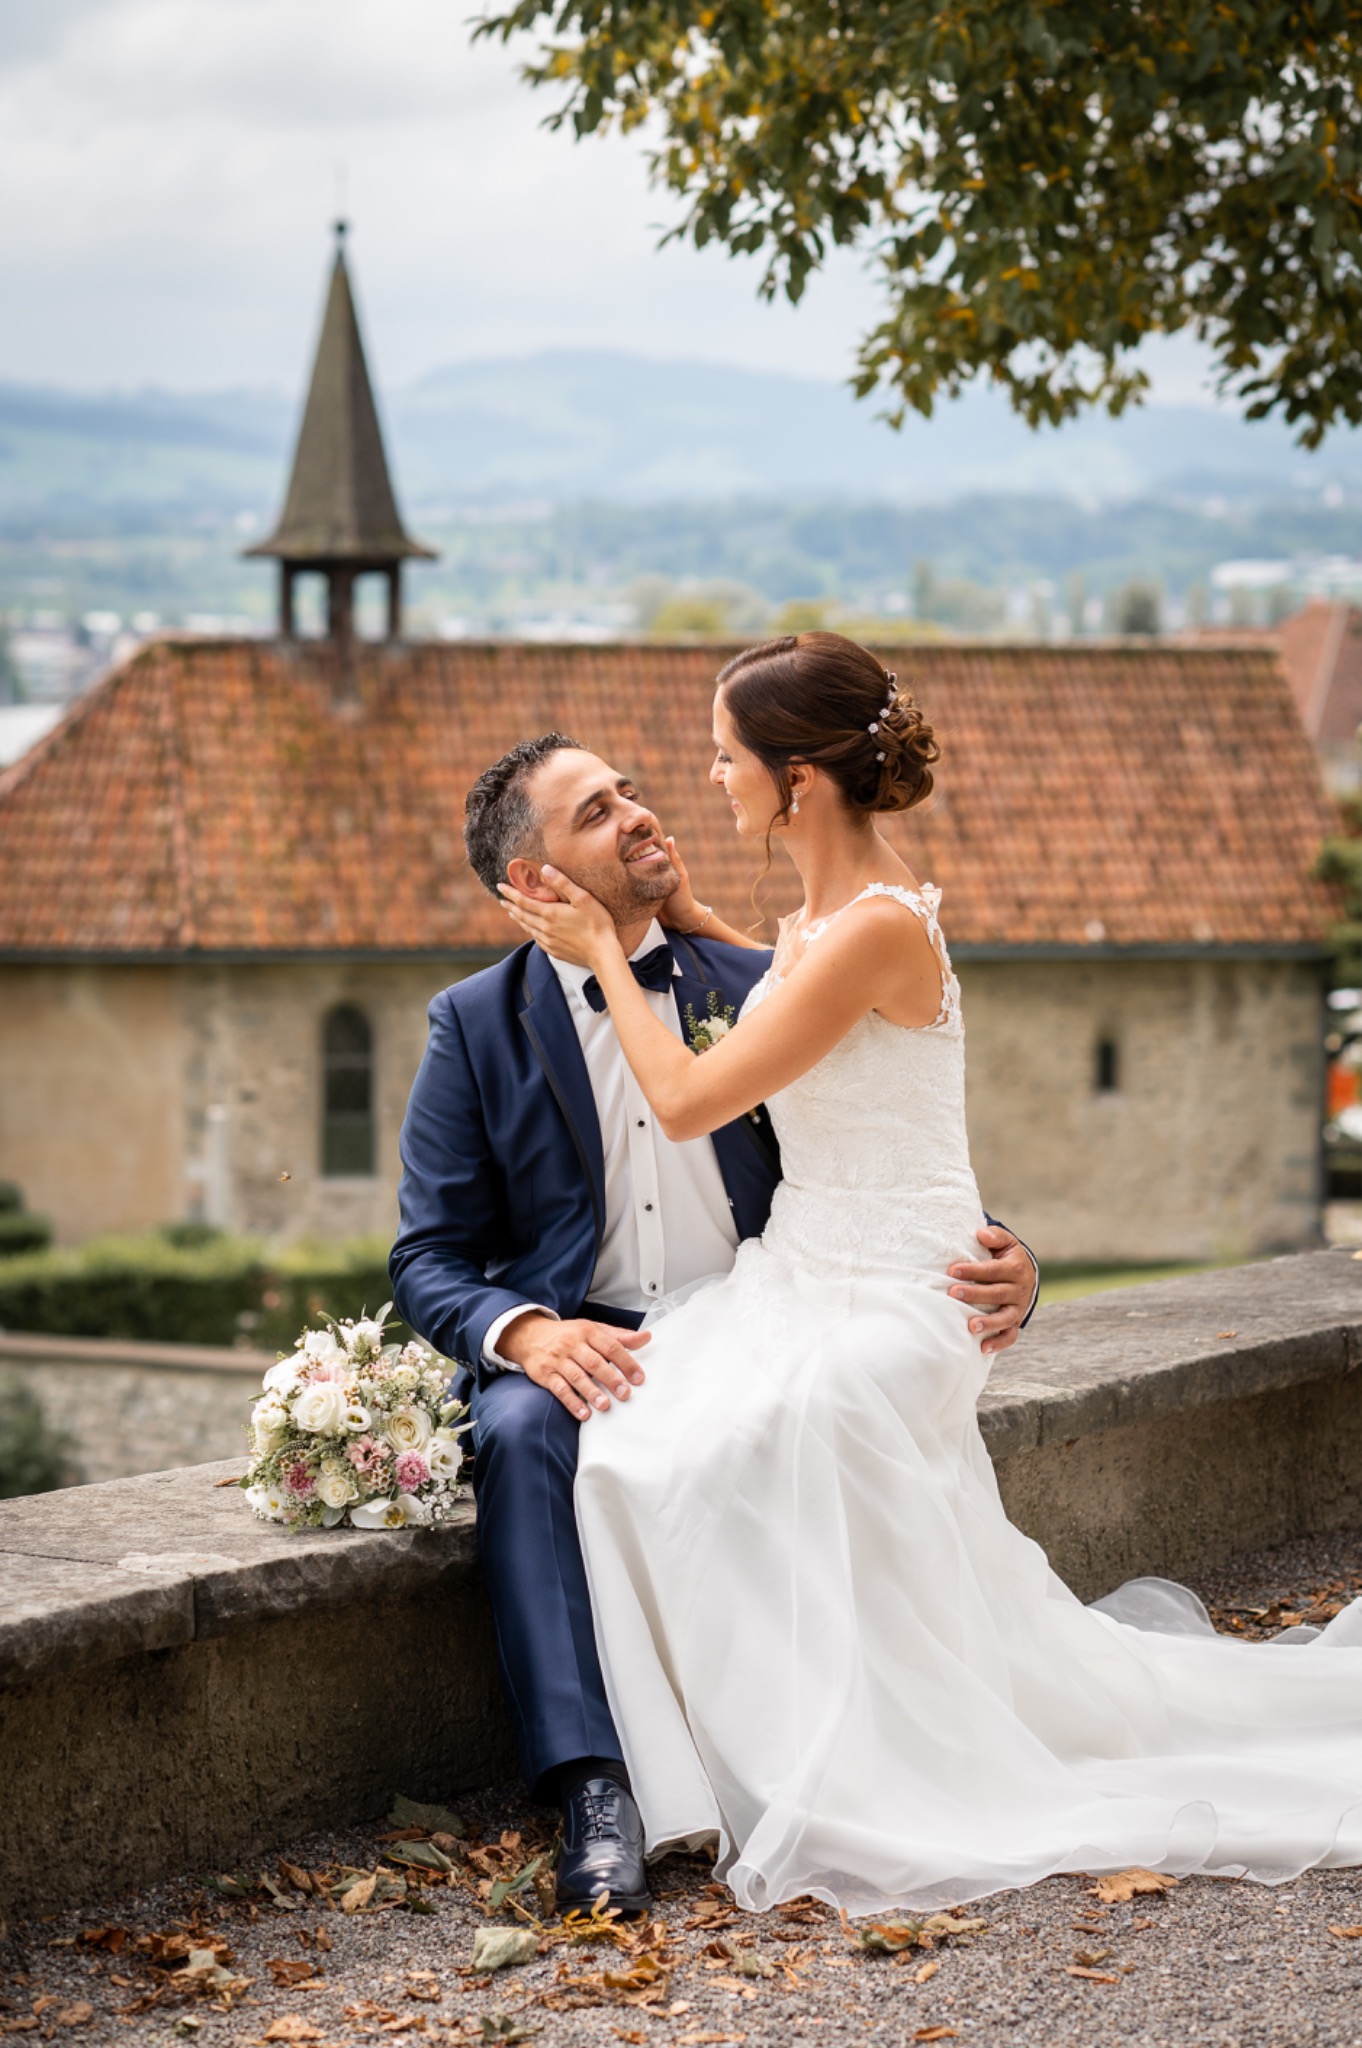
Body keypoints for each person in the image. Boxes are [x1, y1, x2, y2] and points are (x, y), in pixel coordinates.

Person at [499, 630, 1362, 1916]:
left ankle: (853, 1751)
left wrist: (609, 953)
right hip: (808, 1267)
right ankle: (676, 1775)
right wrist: (691, 923)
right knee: (636, 1451)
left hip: (905, 1287)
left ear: (798, 780)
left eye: (725, 756)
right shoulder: (821, 920)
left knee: (787, 1427)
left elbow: (683, 1098)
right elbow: (799, 995)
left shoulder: (876, 925)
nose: (706, 778)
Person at [389, 726, 1040, 1917]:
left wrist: (1010, 1257)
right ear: (531, 884)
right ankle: (593, 1786)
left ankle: (795, 1751)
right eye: (596, 812)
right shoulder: (475, 1025)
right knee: (529, 1427)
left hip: (757, 1303)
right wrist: (524, 1330)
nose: (640, 812)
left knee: (783, 1414)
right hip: (589, 1328)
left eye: (629, 790)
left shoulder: (746, 977)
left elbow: (878, 1149)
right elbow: (424, 1253)